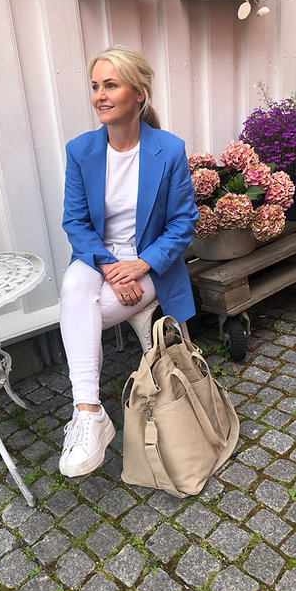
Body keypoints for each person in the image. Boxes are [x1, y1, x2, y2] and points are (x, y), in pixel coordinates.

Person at [59, 45, 198, 478]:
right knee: (73, 290)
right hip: (98, 259)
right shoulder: (81, 150)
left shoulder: (168, 150)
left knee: (81, 314)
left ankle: (138, 307)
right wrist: (107, 268)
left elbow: (182, 223)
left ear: (139, 93)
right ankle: (90, 411)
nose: (100, 95)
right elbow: (75, 221)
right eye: (95, 86)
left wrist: (140, 265)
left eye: (111, 85)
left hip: (150, 266)